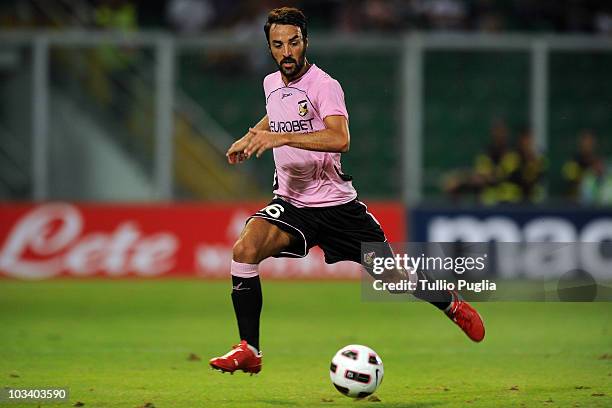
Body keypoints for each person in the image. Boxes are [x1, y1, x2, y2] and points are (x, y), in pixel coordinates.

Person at [209, 7, 485, 376]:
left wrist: (281, 137)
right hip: (292, 204)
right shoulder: (270, 83)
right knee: (245, 248)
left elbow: (340, 138)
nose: (287, 51)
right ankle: (250, 349)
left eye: (293, 42)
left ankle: (450, 304)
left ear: (305, 41)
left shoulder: (325, 85)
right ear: (270, 48)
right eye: (278, 45)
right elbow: (275, 113)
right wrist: (251, 136)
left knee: (393, 277)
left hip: (339, 208)